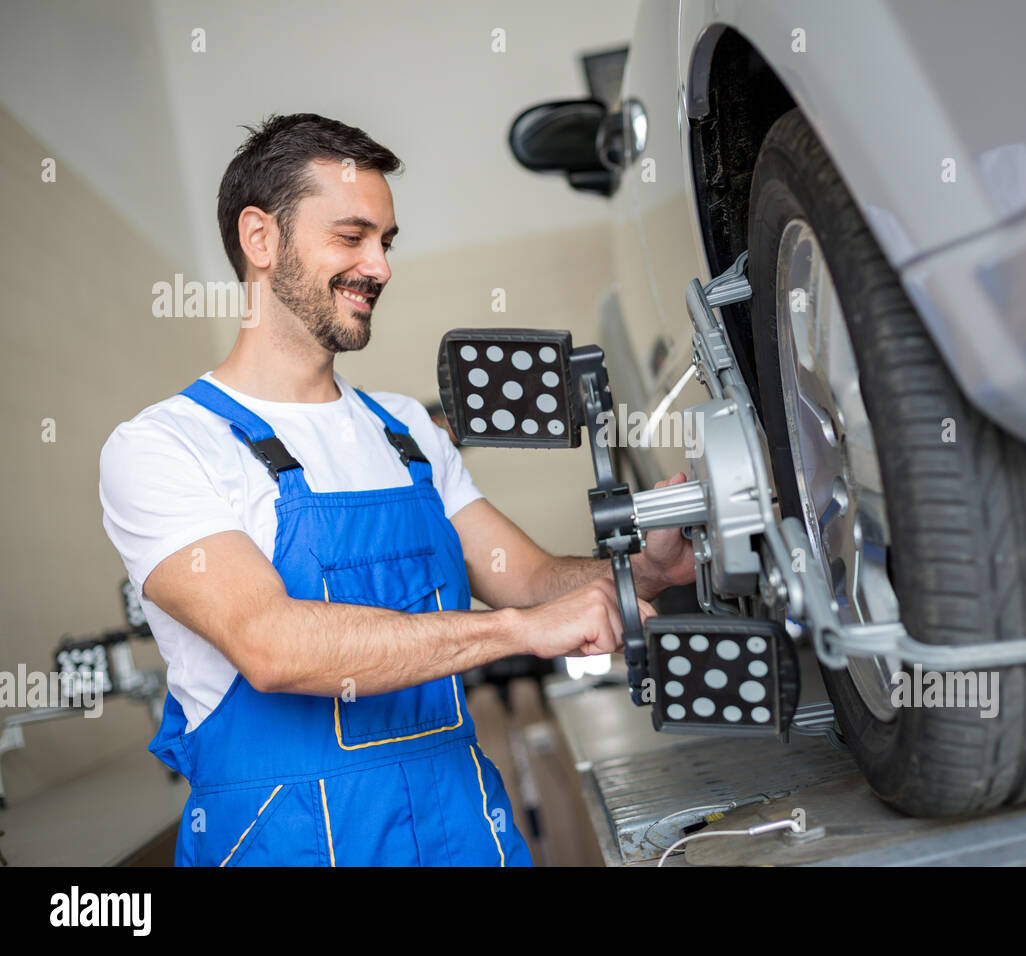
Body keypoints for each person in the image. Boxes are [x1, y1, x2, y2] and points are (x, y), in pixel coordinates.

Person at [98, 113, 695, 866]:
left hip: (461, 824)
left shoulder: (405, 429)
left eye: (387, 241)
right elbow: (272, 645)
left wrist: (641, 571)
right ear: (260, 239)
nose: (379, 267)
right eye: (351, 238)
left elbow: (529, 578)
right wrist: (514, 634)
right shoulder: (163, 447)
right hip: (287, 843)